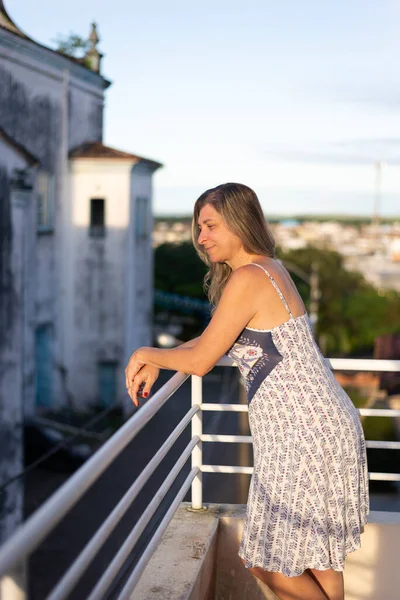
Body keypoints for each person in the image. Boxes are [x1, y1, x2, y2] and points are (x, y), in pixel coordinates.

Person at [125, 182, 369, 600]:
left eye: (210, 225)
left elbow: (202, 360)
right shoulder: (268, 268)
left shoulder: (250, 277)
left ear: (239, 223)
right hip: (321, 428)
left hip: (303, 437)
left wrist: (146, 352)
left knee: (266, 561)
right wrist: (158, 359)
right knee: (319, 559)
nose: (201, 238)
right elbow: (211, 342)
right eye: (198, 227)